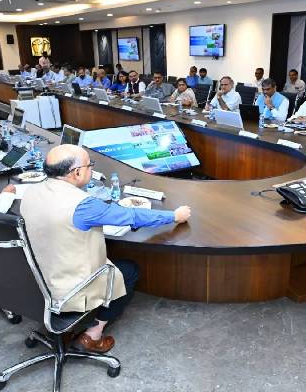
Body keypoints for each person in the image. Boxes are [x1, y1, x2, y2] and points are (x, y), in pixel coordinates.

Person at [20, 144, 191, 353]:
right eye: (89, 165)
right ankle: (93, 335)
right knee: (128, 271)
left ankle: (64, 330)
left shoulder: (32, 190)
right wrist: (174, 216)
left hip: (35, 279)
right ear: (77, 173)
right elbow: (132, 215)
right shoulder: (83, 205)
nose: (90, 169)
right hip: (68, 289)